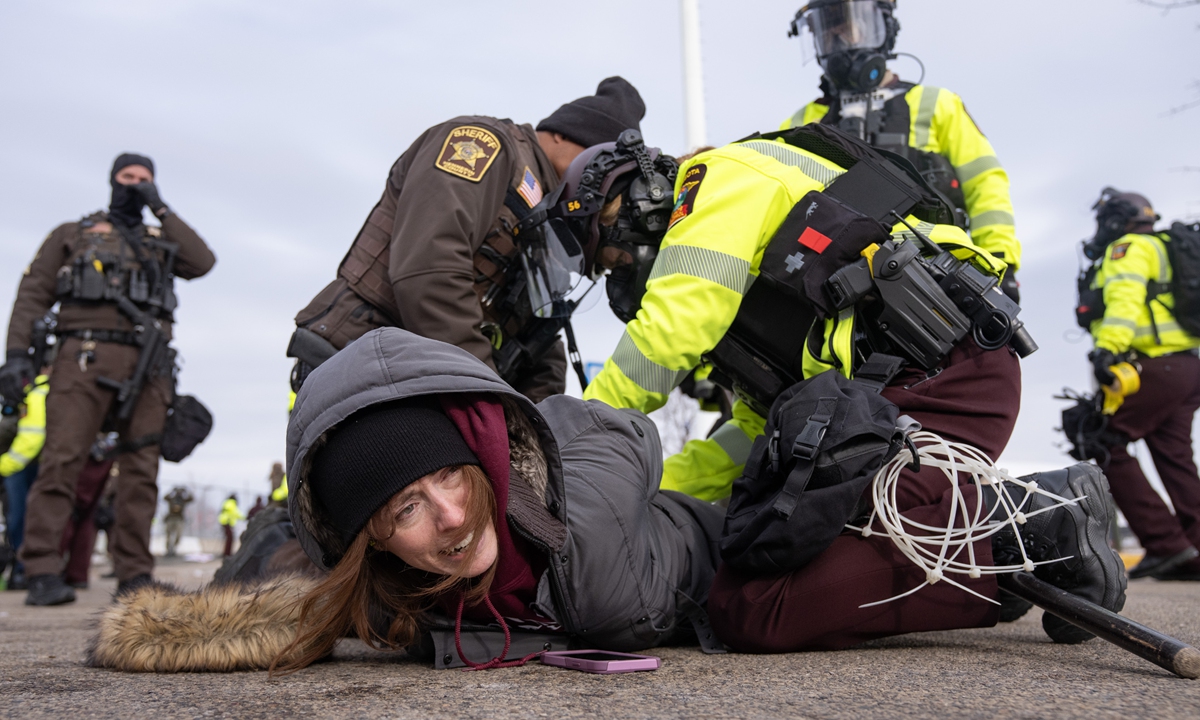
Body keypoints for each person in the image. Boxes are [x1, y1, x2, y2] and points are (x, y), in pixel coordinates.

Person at [85, 327, 723, 673]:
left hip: (738, 555)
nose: (451, 517)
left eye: (449, 473)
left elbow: (624, 433)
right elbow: (295, 606)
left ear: (482, 456)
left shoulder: (588, 520)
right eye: (404, 510)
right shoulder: (397, 601)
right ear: (375, 542)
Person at [289, 77, 648, 403]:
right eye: (595, 158)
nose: (598, 176)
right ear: (561, 133)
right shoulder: (484, 145)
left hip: (422, 387)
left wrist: (537, 424)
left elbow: (541, 336)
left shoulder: (556, 217)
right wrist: (492, 397)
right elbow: (429, 270)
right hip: (359, 366)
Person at [0, 152, 215, 605]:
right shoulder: (73, 234)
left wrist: (161, 207)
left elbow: (203, 261)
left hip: (149, 366)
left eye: (145, 179)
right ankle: (39, 570)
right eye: (128, 177)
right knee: (62, 461)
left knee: (141, 470)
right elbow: (32, 295)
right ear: (112, 180)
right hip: (83, 358)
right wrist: (16, 355)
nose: (136, 184)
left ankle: (135, 574)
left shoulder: (161, 237)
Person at [780, 0, 1021, 301]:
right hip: (833, 285)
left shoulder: (936, 104)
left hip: (934, 279)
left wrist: (1000, 263)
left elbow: (985, 184)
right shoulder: (802, 121)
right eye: (828, 32)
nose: (839, 40)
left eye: (849, 27)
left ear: (884, 28)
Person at [1080, 188, 1200, 582]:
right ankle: (1193, 552)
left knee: (1098, 437)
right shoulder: (1167, 247)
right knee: (1175, 456)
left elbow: (1124, 298)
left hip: (1153, 367)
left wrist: (1107, 350)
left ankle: (1166, 545)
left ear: (1116, 220)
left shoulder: (1129, 247)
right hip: (1186, 368)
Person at [0, 365, 49, 590]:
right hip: (27, 465)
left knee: (20, 518)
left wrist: (4, 465)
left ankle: (23, 570)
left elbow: (31, 437)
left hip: (20, 466)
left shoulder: (37, 392)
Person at [162, 485, 194, 557]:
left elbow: (191, 499)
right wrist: (172, 491)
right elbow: (164, 497)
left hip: (179, 519)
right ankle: (168, 550)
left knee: (178, 535)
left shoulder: (183, 500)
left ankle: (174, 548)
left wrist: (186, 491)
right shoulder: (172, 499)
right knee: (168, 535)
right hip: (170, 518)